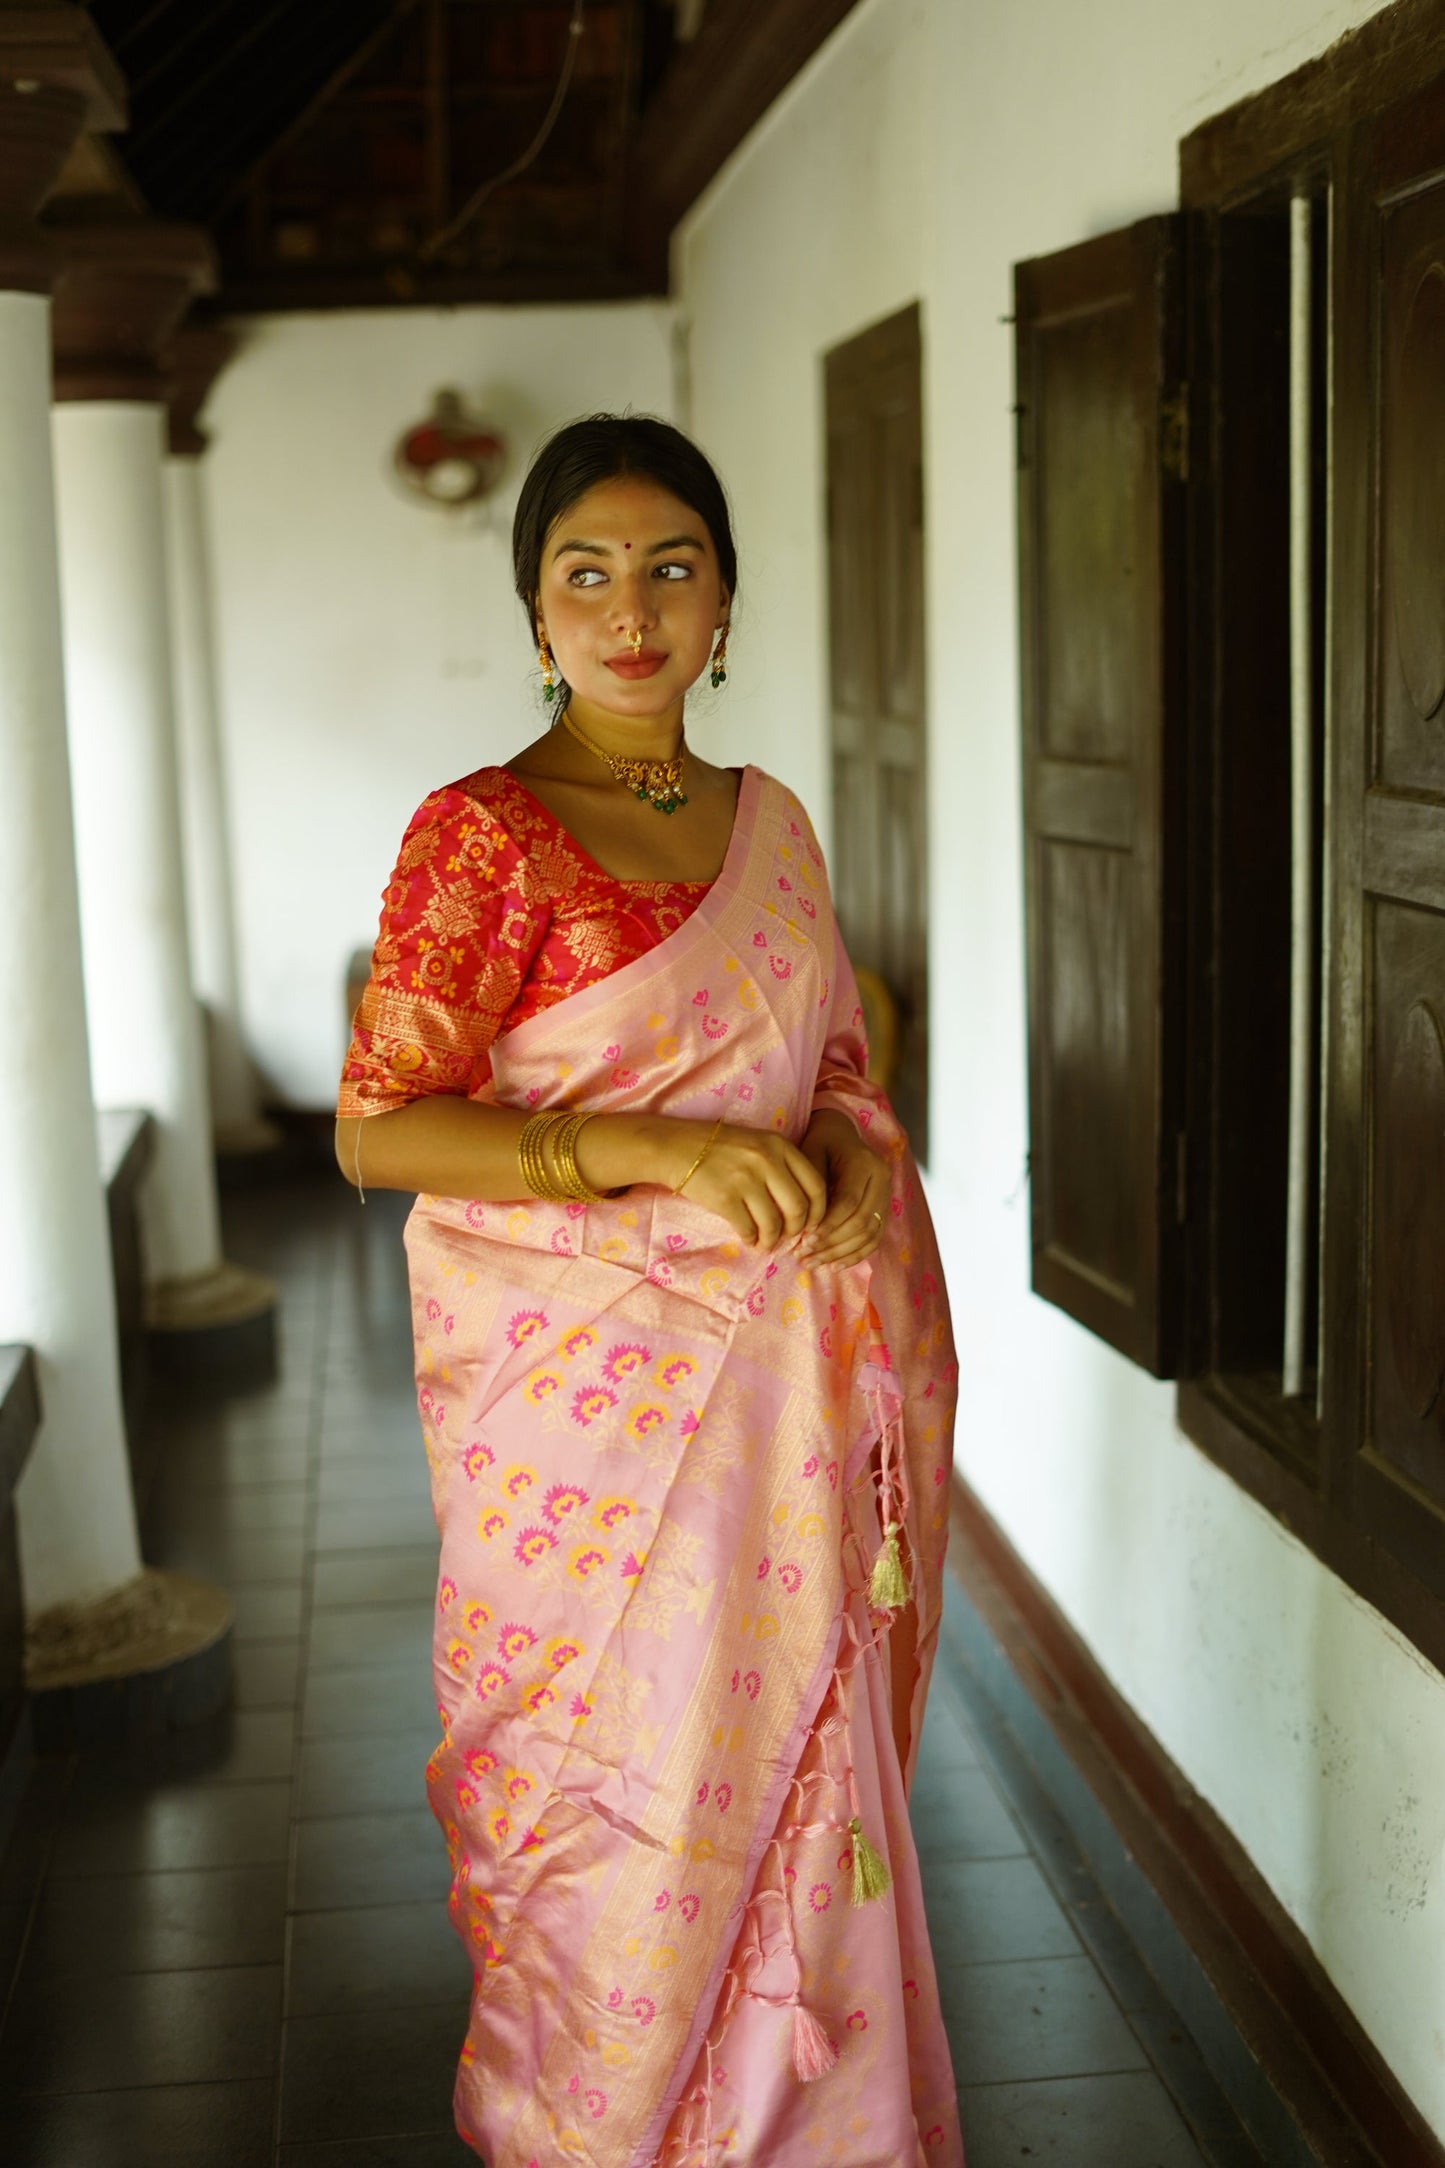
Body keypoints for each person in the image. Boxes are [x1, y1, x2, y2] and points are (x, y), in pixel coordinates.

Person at [335, 414, 964, 2167]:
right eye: (585, 573)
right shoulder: (483, 836)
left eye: (669, 568)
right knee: (617, 1775)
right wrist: (660, 1154)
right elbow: (381, 1132)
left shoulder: (772, 823)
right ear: (536, 611)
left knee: (787, 1767)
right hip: (583, 1433)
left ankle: (817, 2128)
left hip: (779, 1404)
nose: (630, 610)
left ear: (724, 602)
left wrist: (846, 1154)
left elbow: (836, 1059)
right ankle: (600, 2123)